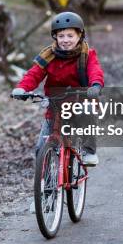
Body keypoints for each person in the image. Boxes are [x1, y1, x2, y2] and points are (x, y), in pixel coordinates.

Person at [12, 11, 105, 166]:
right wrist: (22, 88)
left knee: (87, 113)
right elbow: (34, 74)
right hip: (55, 104)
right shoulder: (49, 56)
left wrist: (95, 85)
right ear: (55, 37)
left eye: (70, 36)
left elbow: (95, 71)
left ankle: (89, 151)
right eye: (61, 36)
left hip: (80, 100)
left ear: (79, 36)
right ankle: (46, 186)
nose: (65, 40)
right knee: (41, 148)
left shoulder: (87, 55)